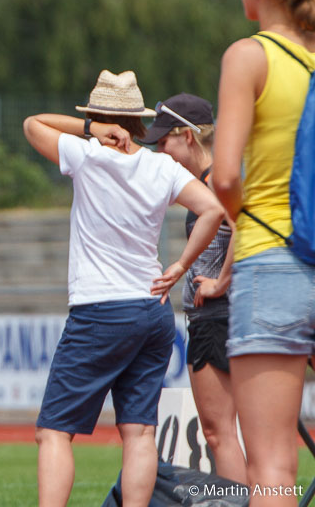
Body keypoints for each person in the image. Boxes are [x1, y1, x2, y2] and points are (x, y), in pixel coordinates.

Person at [23, 69, 225, 507]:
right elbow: (212, 208)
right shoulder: (161, 164)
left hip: (100, 307)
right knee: (140, 431)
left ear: (99, 116)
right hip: (153, 307)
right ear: (139, 118)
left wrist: (89, 130)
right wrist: (180, 265)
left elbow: (32, 124)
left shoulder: (87, 154)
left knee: (53, 431)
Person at [214, 0, 315, 505]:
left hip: (272, 258)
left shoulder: (249, 57)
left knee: (273, 463)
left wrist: (238, 215)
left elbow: (225, 174)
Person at [140, 94, 247, 483]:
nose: (160, 151)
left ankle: (238, 503)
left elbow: (244, 228)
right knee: (227, 433)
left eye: (163, 141)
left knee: (219, 434)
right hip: (218, 317)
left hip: (217, 318)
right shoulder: (207, 181)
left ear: (186, 136)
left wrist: (221, 282)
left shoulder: (216, 179)